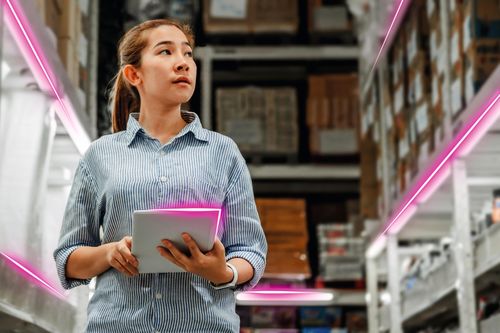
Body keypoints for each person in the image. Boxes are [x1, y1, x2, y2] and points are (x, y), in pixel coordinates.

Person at [54, 19, 267, 333]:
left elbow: (250, 250)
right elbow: (68, 257)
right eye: (166, 52)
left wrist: (222, 272)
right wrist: (109, 252)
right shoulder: (100, 155)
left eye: (188, 54)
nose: (182, 63)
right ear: (134, 74)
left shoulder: (222, 152)